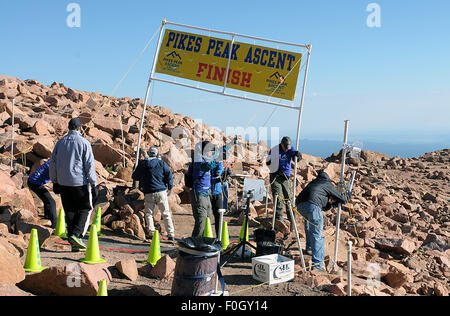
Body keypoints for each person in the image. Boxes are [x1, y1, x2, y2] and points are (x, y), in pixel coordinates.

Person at [49, 117, 98, 252]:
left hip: (63, 183)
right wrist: (94, 183)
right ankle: (77, 235)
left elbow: (52, 163)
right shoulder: (84, 142)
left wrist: (54, 181)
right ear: (80, 128)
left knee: (70, 211)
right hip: (79, 182)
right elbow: (89, 165)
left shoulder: (60, 143)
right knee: (85, 208)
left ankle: (74, 242)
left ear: (69, 127)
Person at [295, 170, 350, 271]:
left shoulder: (313, 183)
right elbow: (342, 199)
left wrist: (331, 205)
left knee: (308, 225)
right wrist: (347, 196)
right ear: (327, 178)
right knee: (317, 234)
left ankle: (309, 248)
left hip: (300, 206)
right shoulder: (327, 183)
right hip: (313, 207)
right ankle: (318, 265)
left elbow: (320, 202)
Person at [132, 146, 175, 241]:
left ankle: (151, 233)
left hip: (148, 192)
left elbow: (135, 176)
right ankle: (171, 234)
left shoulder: (143, 164)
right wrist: (170, 188)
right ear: (157, 154)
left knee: (149, 214)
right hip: (161, 191)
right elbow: (169, 176)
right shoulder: (161, 163)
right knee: (166, 213)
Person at [266, 136, 301, 221]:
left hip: (286, 177)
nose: (286, 149)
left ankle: (292, 219)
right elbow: (268, 163)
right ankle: (279, 219)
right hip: (276, 176)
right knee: (278, 197)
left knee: (289, 198)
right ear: (281, 144)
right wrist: (275, 168)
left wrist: (298, 156)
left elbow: (295, 157)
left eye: (287, 148)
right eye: (285, 147)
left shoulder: (290, 148)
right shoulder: (274, 150)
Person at [186, 141, 216, 237]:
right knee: (201, 220)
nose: (212, 153)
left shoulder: (207, 158)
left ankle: (204, 240)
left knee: (208, 219)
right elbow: (205, 167)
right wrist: (215, 162)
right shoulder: (198, 159)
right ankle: (195, 241)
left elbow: (220, 152)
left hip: (206, 193)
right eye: (211, 151)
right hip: (198, 192)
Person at [27, 159, 57, 229]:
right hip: (34, 183)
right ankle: (55, 224)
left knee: (47, 199)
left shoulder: (53, 160)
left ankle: (47, 217)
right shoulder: (56, 164)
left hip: (33, 181)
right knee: (51, 201)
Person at [210, 147, 225, 236]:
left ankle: (218, 237)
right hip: (209, 192)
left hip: (216, 191)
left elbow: (220, 170)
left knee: (218, 216)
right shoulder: (206, 160)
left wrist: (218, 174)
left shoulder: (219, 161)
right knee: (208, 216)